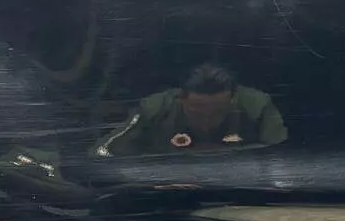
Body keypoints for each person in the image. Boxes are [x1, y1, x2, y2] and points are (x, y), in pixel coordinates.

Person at [93, 63, 287, 157]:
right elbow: (102, 151)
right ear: (181, 99)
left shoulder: (256, 107)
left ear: (233, 100)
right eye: (197, 113)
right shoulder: (154, 109)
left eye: (218, 113)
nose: (206, 121)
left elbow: (282, 155)